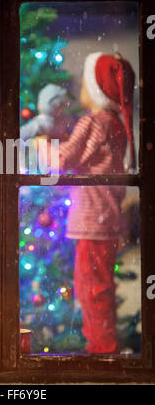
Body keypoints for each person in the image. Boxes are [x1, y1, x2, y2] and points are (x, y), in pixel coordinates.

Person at [38, 52, 135, 354]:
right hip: (105, 219)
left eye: (84, 83)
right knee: (98, 285)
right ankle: (103, 345)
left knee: (90, 287)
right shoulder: (114, 122)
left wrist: (41, 143)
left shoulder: (95, 122)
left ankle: (102, 349)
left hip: (94, 222)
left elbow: (63, 160)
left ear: (96, 90)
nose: (80, 89)